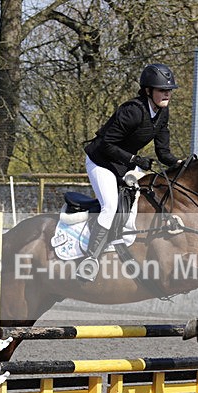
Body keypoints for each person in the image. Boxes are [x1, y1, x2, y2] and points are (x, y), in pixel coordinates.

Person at [78, 63, 182, 282]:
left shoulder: (162, 113)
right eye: (162, 89)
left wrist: (181, 163)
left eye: (169, 90)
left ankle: (121, 247)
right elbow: (106, 143)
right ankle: (90, 259)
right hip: (102, 161)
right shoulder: (133, 111)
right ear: (148, 91)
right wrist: (134, 159)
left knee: (144, 198)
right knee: (110, 206)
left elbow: (163, 152)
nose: (167, 93)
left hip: (124, 164)